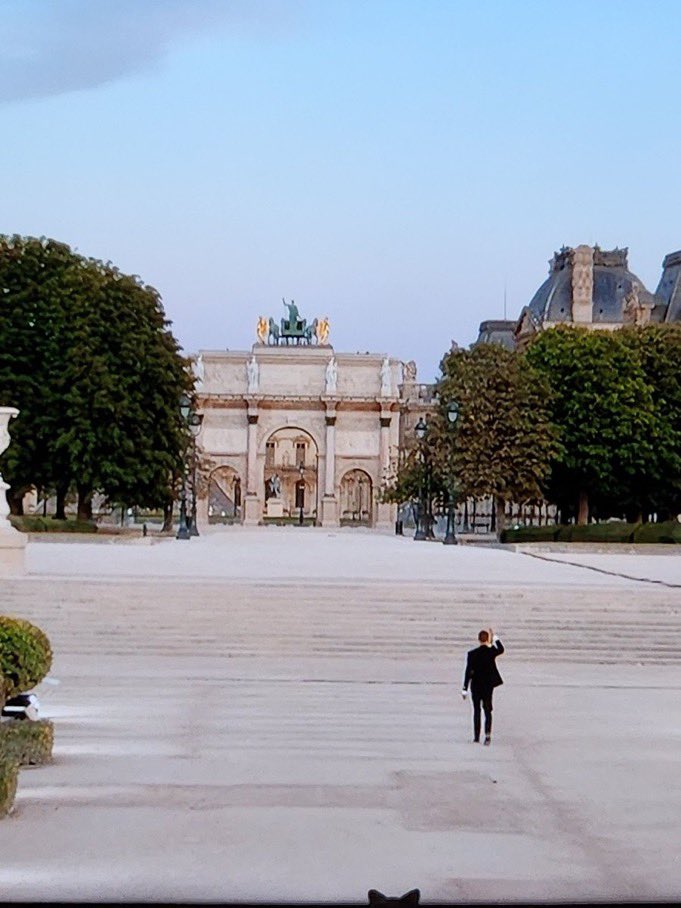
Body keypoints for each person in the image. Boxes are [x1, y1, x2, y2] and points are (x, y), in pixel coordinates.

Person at [461, 628, 504, 745]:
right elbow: (501, 649)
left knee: (476, 711)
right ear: (487, 639)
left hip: (476, 686)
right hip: (488, 686)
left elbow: (468, 672)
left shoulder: (472, 654)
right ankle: (488, 735)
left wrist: (464, 688)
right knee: (488, 710)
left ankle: (476, 736)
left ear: (478, 639)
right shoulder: (491, 652)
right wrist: (495, 637)